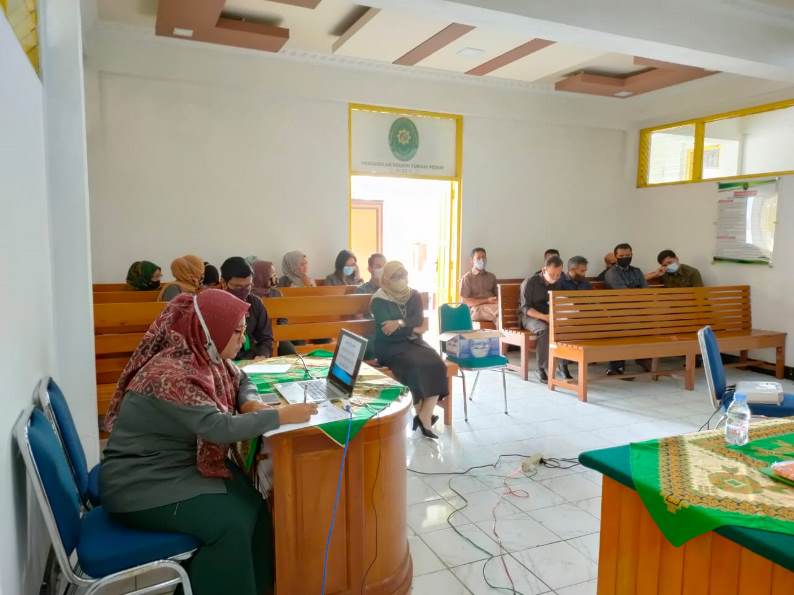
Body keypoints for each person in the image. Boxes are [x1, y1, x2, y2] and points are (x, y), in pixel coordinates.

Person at [101, 290, 318, 595]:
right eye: (238, 332)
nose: (243, 341)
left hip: (173, 467)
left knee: (254, 503)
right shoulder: (174, 374)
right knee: (231, 523)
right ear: (211, 330)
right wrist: (281, 416)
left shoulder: (207, 357)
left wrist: (251, 404)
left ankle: (260, 588)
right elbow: (219, 428)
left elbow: (242, 378)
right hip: (139, 484)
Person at [370, 262, 448, 439]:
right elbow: (387, 331)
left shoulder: (413, 295)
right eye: (396, 277)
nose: (401, 281)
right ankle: (424, 417)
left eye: (403, 276)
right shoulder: (378, 299)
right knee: (414, 366)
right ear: (386, 280)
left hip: (413, 343)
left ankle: (424, 415)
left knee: (436, 363)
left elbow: (417, 318)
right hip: (388, 346)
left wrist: (399, 323)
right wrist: (411, 328)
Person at [603, 243, 650, 376]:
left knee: (647, 323)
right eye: (622, 256)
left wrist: (636, 293)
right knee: (621, 327)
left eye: (628, 255)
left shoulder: (637, 271)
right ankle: (616, 366)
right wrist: (636, 291)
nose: (625, 258)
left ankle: (644, 358)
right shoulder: (611, 273)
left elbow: (645, 291)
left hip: (638, 309)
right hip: (618, 311)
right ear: (616, 257)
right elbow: (623, 293)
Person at [520, 255, 566, 382]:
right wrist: (544, 317)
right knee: (545, 329)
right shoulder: (530, 282)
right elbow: (525, 308)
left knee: (564, 327)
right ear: (544, 270)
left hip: (550, 315)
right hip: (530, 317)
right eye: (552, 274)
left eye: (558, 274)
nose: (555, 278)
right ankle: (541, 368)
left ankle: (563, 365)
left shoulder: (558, 282)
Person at [220, 257, 274, 360]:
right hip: (223, 361)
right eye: (237, 286)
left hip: (251, 359)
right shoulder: (213, 305)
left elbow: (266, 337)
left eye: (248, 286)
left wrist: (262, 355)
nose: (243, 291)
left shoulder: (255, 303)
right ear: (223, 282)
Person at [460, 247, 498, 323]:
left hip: (492, 306)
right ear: (472, 261)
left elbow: (498, 295)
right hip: (476, 309)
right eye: (478, 258)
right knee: (499, 312)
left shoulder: (491, 276)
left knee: (504, 311)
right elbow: (465, 302)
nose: (482, 260)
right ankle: (503, 333)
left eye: (484, 257)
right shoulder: (467, 278)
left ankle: (501, 333)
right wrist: (487, 300)